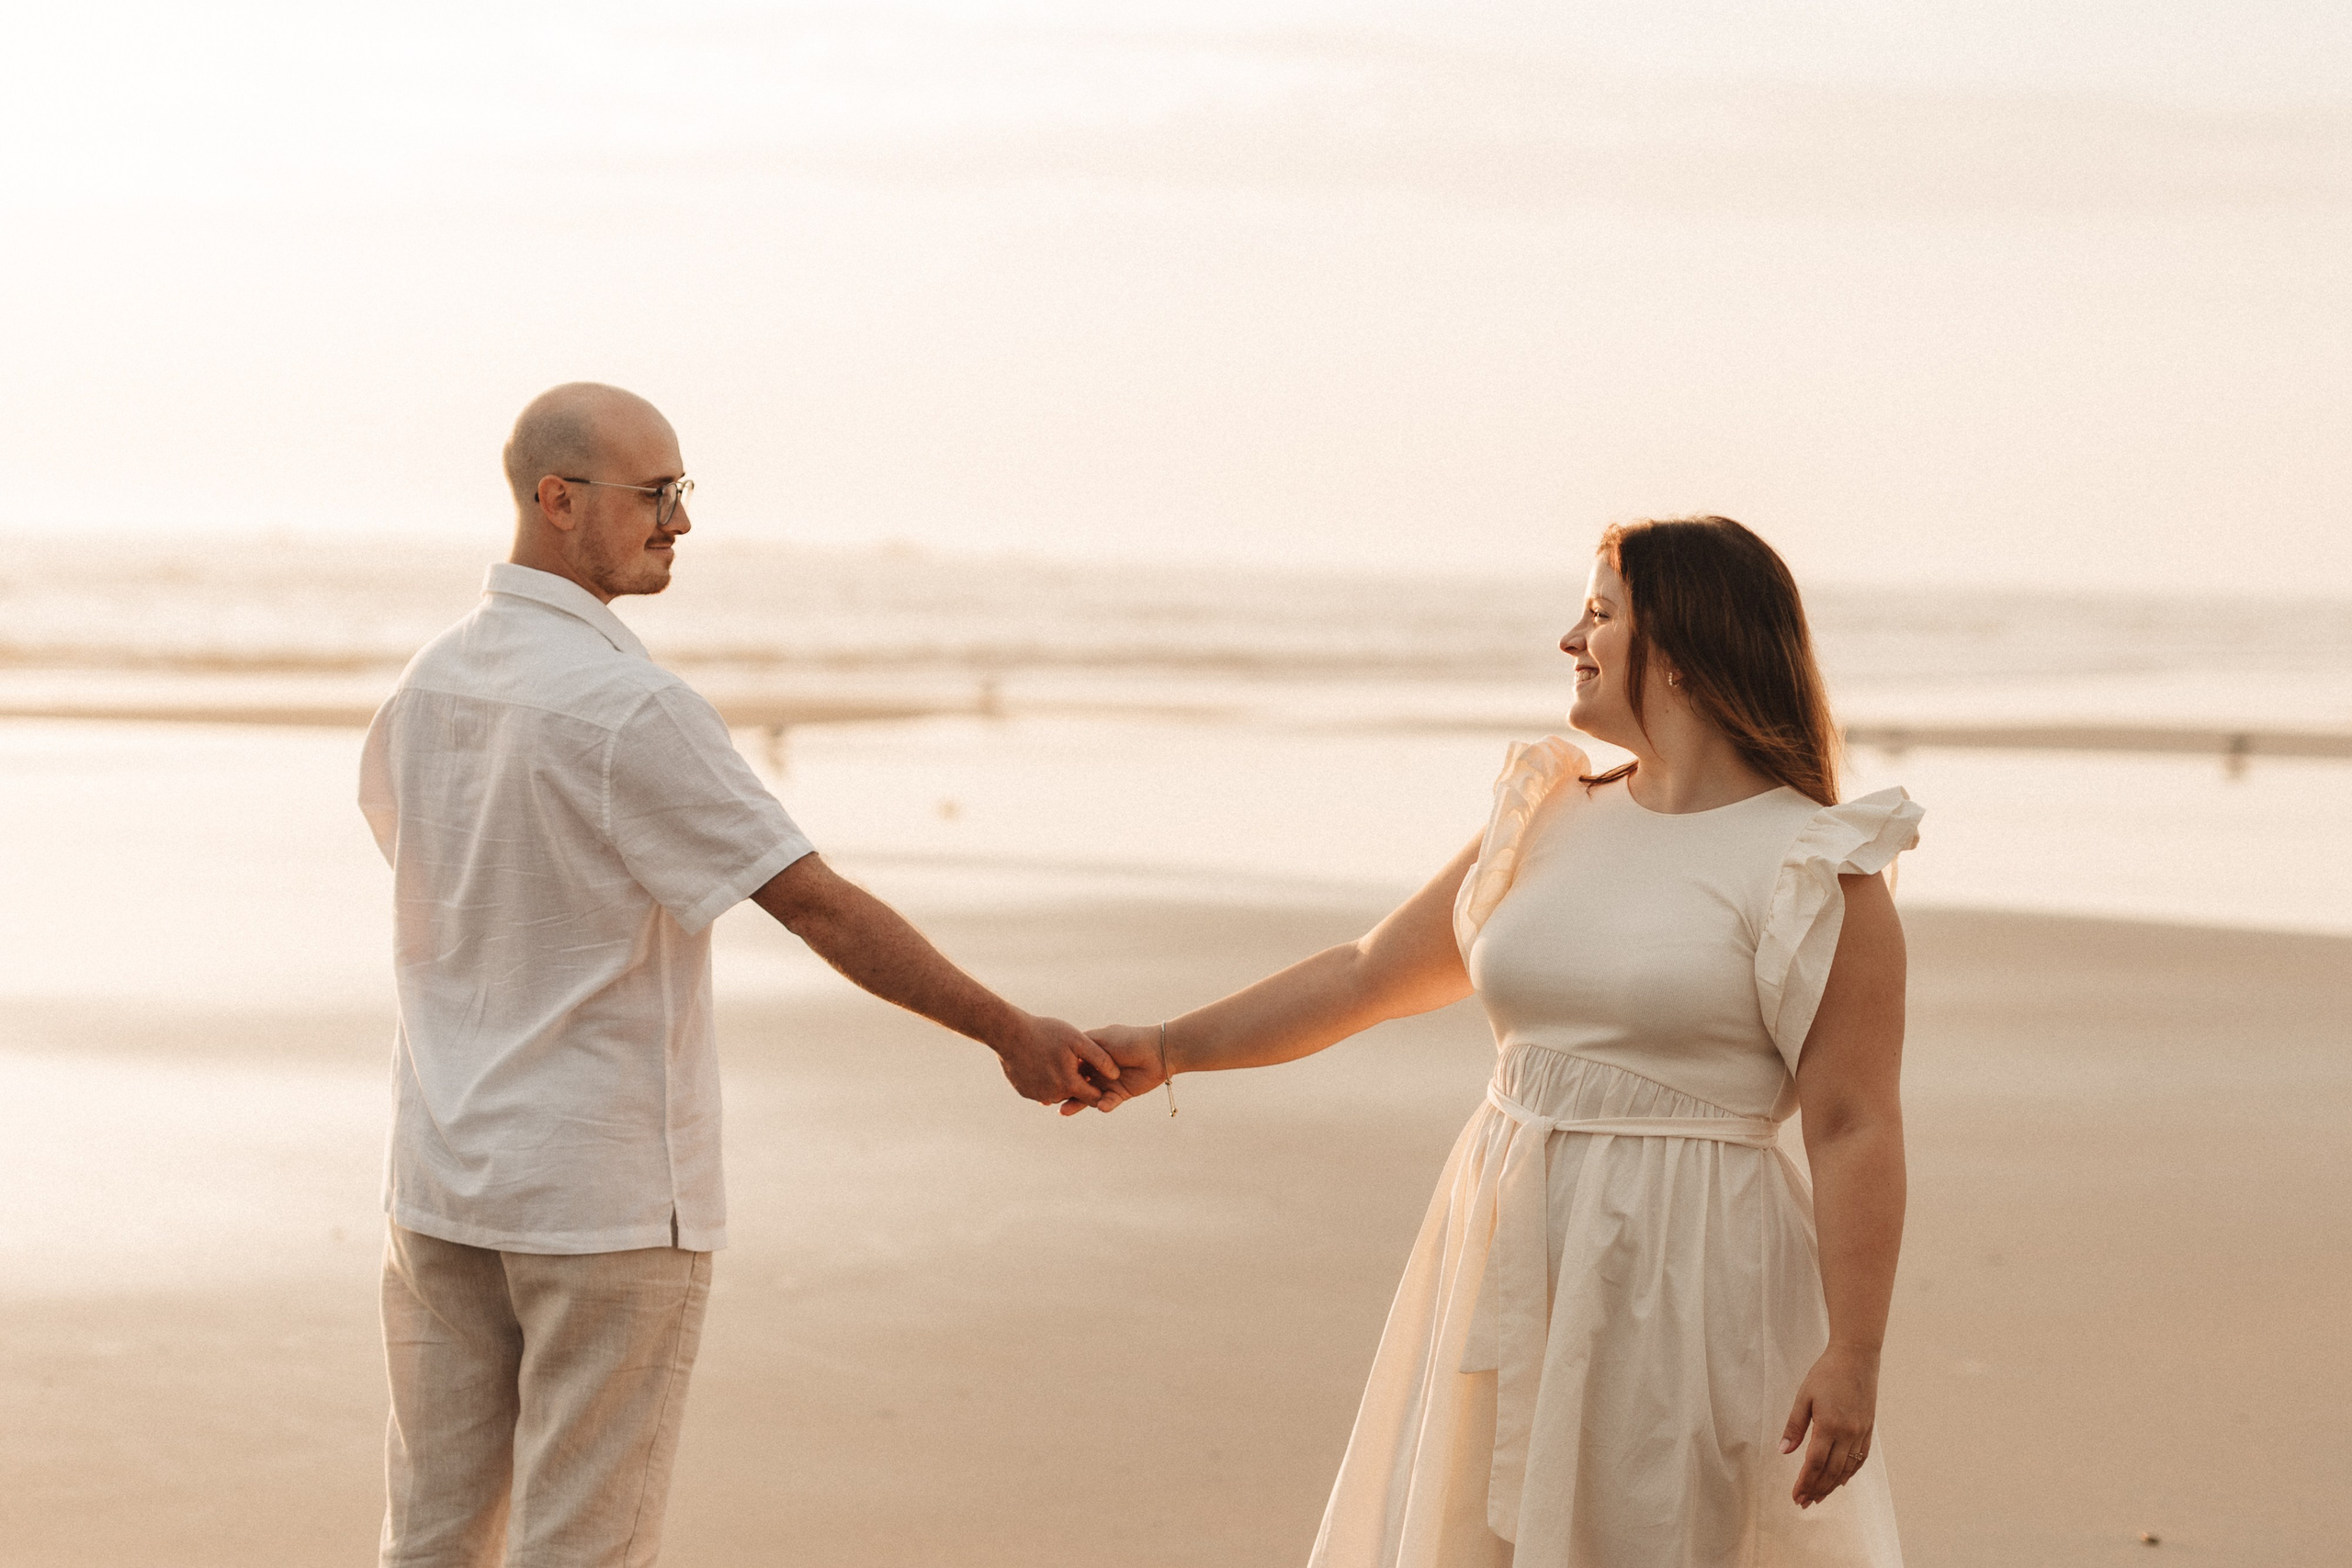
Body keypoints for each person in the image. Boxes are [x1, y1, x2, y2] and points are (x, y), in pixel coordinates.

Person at [357, 382, 1120, 1567]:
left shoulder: (428, 682)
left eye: (682, 492)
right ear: (559, 500)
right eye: (657, 494)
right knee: (581, 1546)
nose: (682, 522)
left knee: (429, 1541)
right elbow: (810, 900)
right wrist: (1006, 1029)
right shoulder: (628, 707)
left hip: (440, 1178)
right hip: (598, 1198)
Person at [1084, 516, 1919, 1566]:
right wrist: (1165, 1047)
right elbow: (1365, 974)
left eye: (1601, 614)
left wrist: (1855, 1353)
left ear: (1689, 646)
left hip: (1689, 1266)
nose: (1570, 639)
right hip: (1504, 1237)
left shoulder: (1813, 862)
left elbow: (1852, 1123)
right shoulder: (1548, 814)